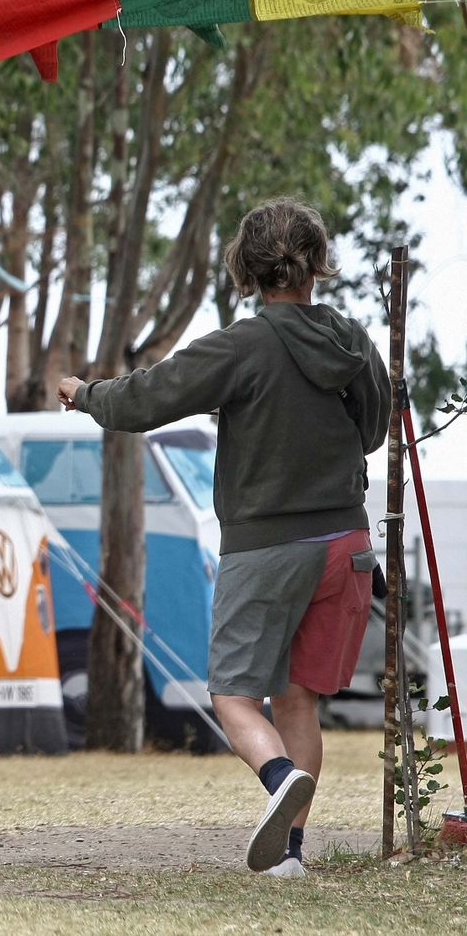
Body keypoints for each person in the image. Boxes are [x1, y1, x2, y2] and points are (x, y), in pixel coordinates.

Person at [57, 198, 389, 877]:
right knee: (299, 698)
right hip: (344, 548)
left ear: (247, 269)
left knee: (234, 695)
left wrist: (84, 393)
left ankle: (276, 778)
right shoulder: (354, 342)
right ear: (317, 264)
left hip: (265, 548)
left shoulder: (240, 346)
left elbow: (144, 401)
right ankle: (289, 856)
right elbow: (374, 430)